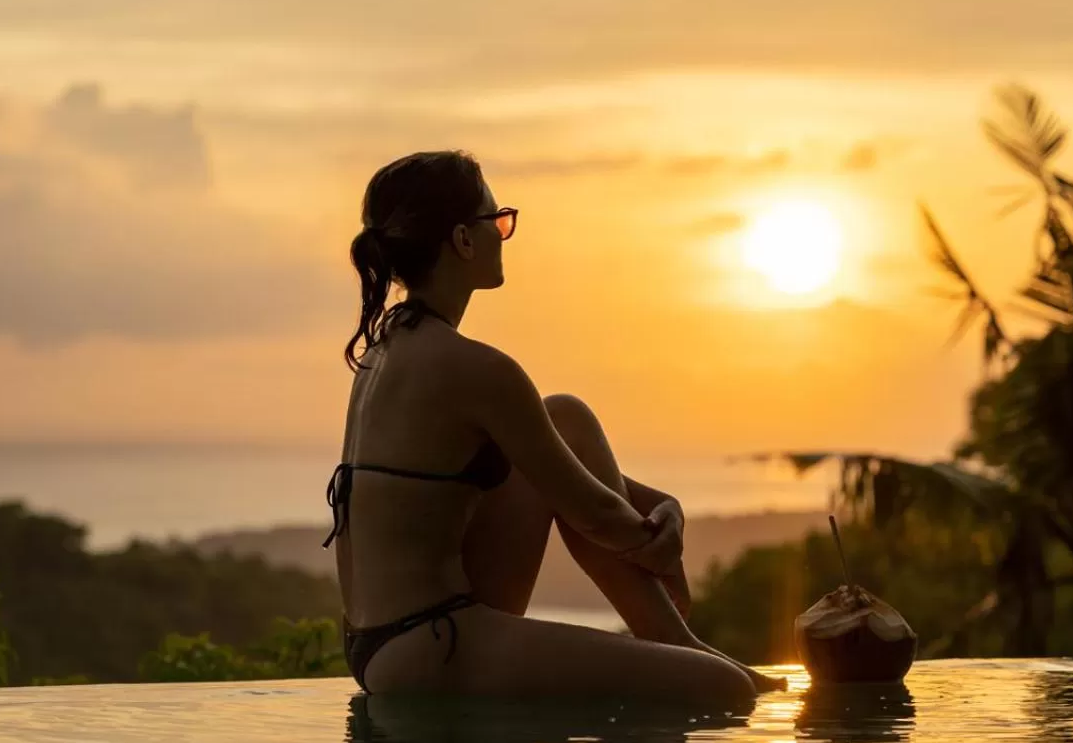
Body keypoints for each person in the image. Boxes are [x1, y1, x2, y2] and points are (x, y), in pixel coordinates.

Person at [325, 150, 781, 706]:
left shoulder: (385, 354)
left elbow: (559, 470)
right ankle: (679, 655)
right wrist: (660, 543)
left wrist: (662, 509)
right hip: (430, 644)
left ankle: (674, 640)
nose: (503, 233)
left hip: (376, 642)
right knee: (724, 691)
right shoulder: (479, 370)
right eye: (497, 220)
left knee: (565, 415)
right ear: (463, 241)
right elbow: (595, 516)